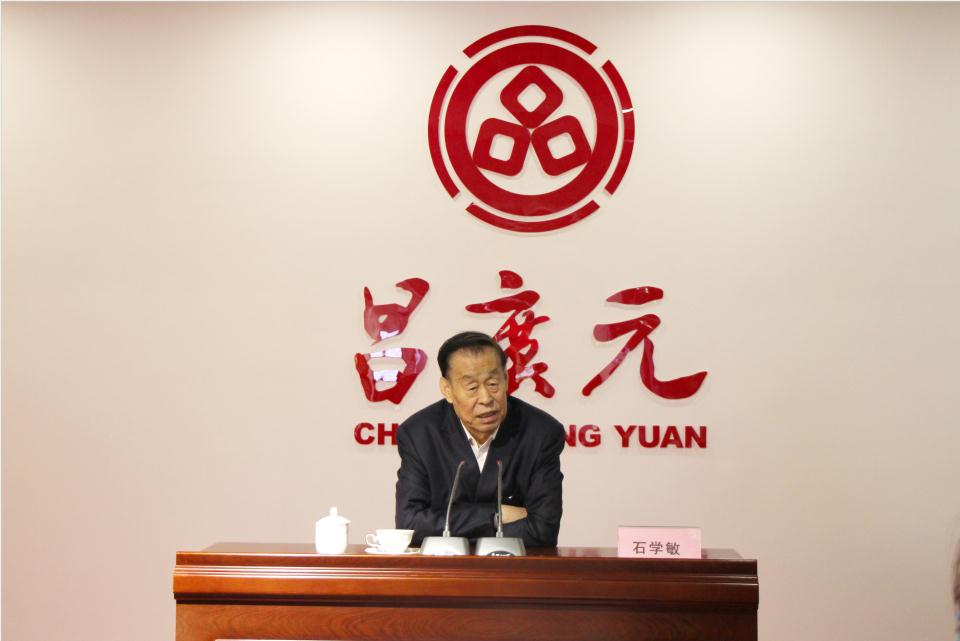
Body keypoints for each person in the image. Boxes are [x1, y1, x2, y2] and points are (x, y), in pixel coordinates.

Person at [395, 331, 565, 547]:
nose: (486, 398)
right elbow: (409, 525)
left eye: (493, 383)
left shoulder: (540, 433)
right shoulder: (420, 434)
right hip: (443, 566)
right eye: (472, 387)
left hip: (512, 566)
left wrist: (447, 526)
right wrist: (495, 515)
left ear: (506, 379)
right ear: (447, 390)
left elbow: (543, 530)